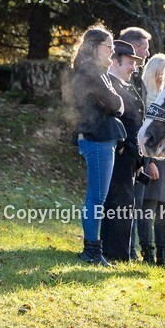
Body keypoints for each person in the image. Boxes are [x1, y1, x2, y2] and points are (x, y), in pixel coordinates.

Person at [71, 26, 124, 267]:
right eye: (109, 47)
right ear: (95, 47)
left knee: (97, 197)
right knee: (97, 198)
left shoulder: (97, 71)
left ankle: (93, 248)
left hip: (100, 137)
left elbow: (117, 104)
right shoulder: (91, 71)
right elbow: (115, 103)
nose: (112, 52)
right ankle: (91, 250)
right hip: (97, 137)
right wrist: (117, 102)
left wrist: (117, 102)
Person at [100, 40, 146, 262]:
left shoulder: (127, 86)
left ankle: (118, 252)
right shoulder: (109, 85)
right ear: (116, 61)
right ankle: (115, 253)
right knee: (119, 202)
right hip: (118, 153)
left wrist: (139, 158)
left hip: (130, 157)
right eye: (129, 62)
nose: (133, 68)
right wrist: (122, 146)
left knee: (125, 203)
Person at [137, 54, 165, 269]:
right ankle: (147, 254)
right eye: (160, 72)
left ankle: (163, 258)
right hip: (152, 159)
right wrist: (148, 162)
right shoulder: (145, 100)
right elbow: (142, 135)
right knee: (148, 209)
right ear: (152, 73)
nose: (163, 76)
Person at [119, 27, 153, 261]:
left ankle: (129, 250)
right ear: (133, 46)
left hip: (136, 151)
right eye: (145, 47)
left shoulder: (138, 78)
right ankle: (124, 250)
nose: (148, 53)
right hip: (124, 148)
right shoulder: (125, 79)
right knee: (121, 200)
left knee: (133, 202)